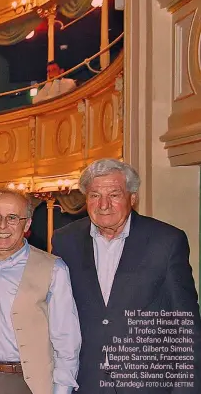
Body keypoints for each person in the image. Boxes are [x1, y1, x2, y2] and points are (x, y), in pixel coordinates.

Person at [52, 158, 201, 392]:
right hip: (85, 381)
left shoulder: (166, 241)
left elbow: (185, 326)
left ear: (132, 198)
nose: (103, 205)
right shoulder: (64, 240)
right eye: (94, 195)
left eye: (114, 194)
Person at [0, 188, 81, 394]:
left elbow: (67, 340)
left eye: (12, 218)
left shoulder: (53, 268)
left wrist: (62, 390)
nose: (2, 225)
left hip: (29, 382)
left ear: (28, 224)